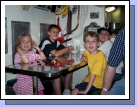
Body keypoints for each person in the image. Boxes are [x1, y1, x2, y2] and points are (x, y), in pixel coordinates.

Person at [37, 24, 74, 95]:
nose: (55, 34)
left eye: (57, 32)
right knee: (57, 76)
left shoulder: (56, 42)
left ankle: (66, 92)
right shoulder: (46, 41)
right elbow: (56, 53)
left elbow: (64, 51)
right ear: (49, 33)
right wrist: (68, 48)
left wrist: (65, 50)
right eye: (53, 32)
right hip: (41, 67)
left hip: (50, 64)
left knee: (70, 70)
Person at [101, 28, 125, 95]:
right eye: (101, 34)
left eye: (105, 34)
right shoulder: (103, 44)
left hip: (115, 74)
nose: (103, 35)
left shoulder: (107, 44)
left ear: (110, 37)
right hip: (118, 73)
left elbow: (94, 55)